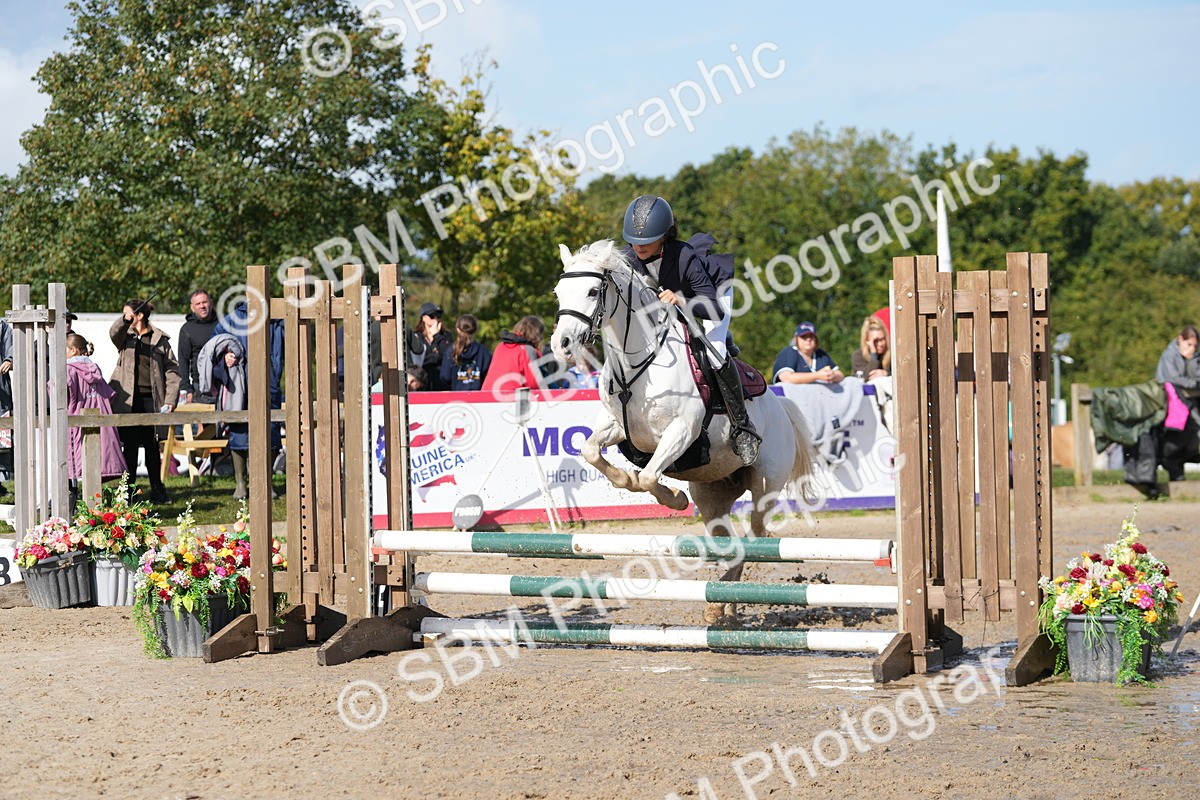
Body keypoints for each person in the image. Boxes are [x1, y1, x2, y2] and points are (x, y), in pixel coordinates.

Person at [620, 194, 760, 463]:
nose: (638, 246)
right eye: (634, 240)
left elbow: (713, 309)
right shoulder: (629, 259)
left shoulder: (684, 256)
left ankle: (743, 428)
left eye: (646, 241)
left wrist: (682, 300)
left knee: (716, 352)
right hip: (668, 304)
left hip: (711, 296)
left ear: (665, 236)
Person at [108, 299, 180, 504]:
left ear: (139, 315)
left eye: (128, 313)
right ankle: (128, 491)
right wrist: (123, 320)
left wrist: (171, 399)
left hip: (152, 400)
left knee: (151, 445)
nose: (125, 317)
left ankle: (157, 488)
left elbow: (172, 371)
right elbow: (114, 332)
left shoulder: (159, 339)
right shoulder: (124, 336)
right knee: (129, 447)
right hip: (129, 400)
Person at [65, 333, 126, 483]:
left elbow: (54, 391)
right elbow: (109, 395)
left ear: (73, 350)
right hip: (101, 424)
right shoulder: (94, 369)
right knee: (95, 472)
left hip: (78, 422)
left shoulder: (68, 370)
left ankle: (74, 504)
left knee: (76, 473)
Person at [197, 333, 250, 498]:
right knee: (239, 436)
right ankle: (241, 483)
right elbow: (212, 349)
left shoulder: (275, 322)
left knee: (268, 435)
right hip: (236, 388)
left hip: (266, 383)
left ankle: (265, 483)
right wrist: (225, 355)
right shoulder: (231, 321)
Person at [482, 315, 545, 395]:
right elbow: (534, 383)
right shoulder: (527, 350)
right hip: (508, 397)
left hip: (486, 395)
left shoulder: (501, 345)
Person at [177, 289, 219, 404]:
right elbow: (183, 361)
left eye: (204, 302)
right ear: (192, 307)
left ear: (211, 303)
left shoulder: (223, 324)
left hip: (224, 385)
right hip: (199, 386)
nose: (202, 306)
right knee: (202, 420)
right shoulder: (187, 329)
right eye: (198, 304)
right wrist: (186, 388)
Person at [772, 322, 845, 385]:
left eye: (811, 336)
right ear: (796, 338)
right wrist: (817, 376)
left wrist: (832, 375)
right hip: (791, 399)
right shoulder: (789, 352)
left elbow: (840, 375)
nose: (808, 339)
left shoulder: (821, 354)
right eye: (804, 336)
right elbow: (786, 378)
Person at [440, 314, 491, 391]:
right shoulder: (483, 351)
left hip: (457, 398)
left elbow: (445, 376)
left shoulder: (450, 351)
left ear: (457, 329)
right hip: (478, 398)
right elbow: (489, 375)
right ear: (475, 330)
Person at [414, 302, 452, 391]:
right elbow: (419, 359)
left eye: (438, 315)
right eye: (432, 316)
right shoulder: (416, 337)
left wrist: (437, 336)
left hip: (442, 383)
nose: (435, 319)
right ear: (424, 318)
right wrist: (436, 356)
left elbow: (448, 355)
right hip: (423, 382)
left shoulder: (445, 335)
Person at [1156, 325, 1200, 392]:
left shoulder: (1195, 357)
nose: (1192, 349)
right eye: (1189, 344)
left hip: (1188, 394)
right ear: (1180, 339)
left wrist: (1190, 360)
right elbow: (1174, 379)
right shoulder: (1169, 355)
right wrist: (1195, 384)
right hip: (1169, 394)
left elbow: (1196, 377)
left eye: (1195, 346)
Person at [851, 315, 891, 381]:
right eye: (875, 341)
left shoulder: (892, 354)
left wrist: (886, 373)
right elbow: (865, 378)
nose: (880, 344)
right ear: (867, 340)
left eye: (882, 339)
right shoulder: (858, 356)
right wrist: (873, 354)